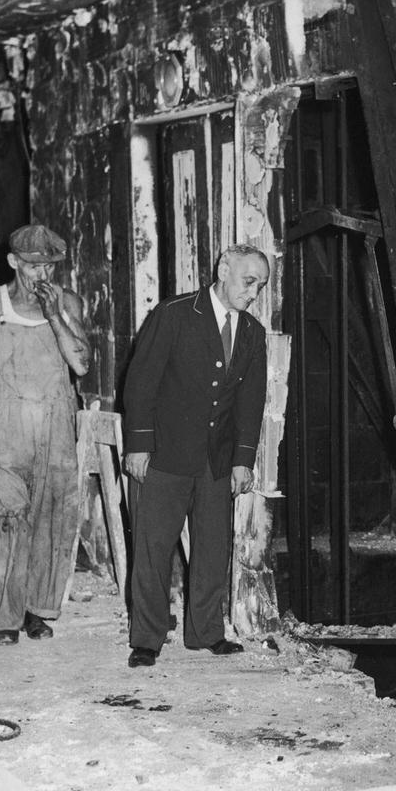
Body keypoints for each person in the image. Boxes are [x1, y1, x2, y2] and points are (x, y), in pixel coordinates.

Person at [122, 243, 270, 668]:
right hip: (165, 455)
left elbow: (250, 400)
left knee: (212, 549)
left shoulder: (252, 333)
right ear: (223, 268)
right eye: (248, 282)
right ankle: (146, 639)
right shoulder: (174, 314)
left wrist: (243, 459)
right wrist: (138, 445)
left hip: (216, 461)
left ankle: (206, 632)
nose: (253, 293)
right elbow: (141, 382)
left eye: (259, 286)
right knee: (153, 549)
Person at [0, 224, 90, 645]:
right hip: (5, 430)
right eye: (32, 266)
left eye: (49, 266)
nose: (41, 275)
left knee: (52, 521)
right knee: (10, 520)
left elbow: (81, 364)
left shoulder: (68, 303)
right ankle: (6, 618)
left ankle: (37, 611)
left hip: (57, 427)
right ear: (14, 262)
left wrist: (55, 317)